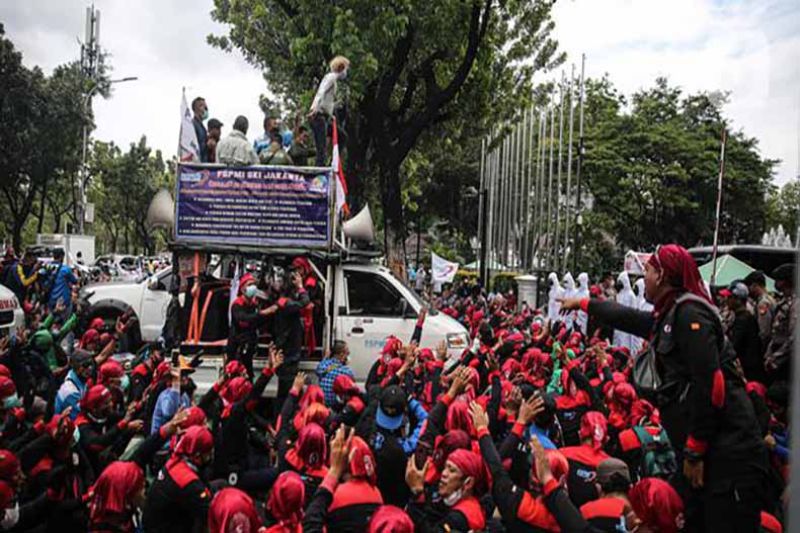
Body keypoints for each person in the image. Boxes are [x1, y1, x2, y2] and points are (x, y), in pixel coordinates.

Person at [560, 244, 767, 531]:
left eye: (648, 270)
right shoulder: (671, 314)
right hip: (705, 452)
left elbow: (713, 385)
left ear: (663, 275)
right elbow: (629, 319)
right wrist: (584, 304)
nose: (643, 276)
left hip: (727, 455)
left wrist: (695, 449)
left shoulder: (690, 313)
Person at [228, 273, 278, 377]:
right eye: (249, 284)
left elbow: (257, 323)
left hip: (249, 347)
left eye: (254, 284)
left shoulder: (254, 305)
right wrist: (262, 313)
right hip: (237, 349)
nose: (253, 287)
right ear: (242, 289)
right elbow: (244, 318)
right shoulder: (237, 305)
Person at [309, 56, 350, 167]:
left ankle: (333, 161)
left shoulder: (334, 80)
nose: (346, 72)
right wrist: (314, 108)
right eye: (346, 68)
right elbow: (321, 92)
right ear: (341, 67)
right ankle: (320, 170)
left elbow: (327, 101)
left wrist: (331, 114)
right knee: (321, 148)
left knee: (342, 136)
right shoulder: (331, 77)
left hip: (325, 117)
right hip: (318, 116)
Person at [725, 281, 765, 383]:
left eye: (730, 297)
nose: (726, 300)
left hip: (748, 368)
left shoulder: (743, 319)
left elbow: (735, 344)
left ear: (738, 300)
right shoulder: (740, 317)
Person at [763, 264, 795, 383]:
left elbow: (794, 338)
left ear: (786, 281)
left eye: (778, 279)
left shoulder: (795, 303)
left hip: (786, 360)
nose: (775, 283)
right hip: (776, 353)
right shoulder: (784, 301)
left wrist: (775, 359)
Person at [316, 340, 355, 406]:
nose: (348, 355)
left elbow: (319, 371)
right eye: (347, 353)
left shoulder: (323, 366)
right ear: (342, 354)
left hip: (322, 404)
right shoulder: (347, 371)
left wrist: (325, 357)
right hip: (336, 406)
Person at [44, 248, 77, 319]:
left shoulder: (47, 267)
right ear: (62, 256)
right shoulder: (65, 269)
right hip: (63, 301)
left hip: (51, 300)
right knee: (64, 321)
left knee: (51, 320)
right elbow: (74, 280)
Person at [192, 97, 209, 162]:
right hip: (197, 165)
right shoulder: (193, 125)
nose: (206, 111)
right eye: (205, 108)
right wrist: (207, 145)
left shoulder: (202, 127)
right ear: (198, 108)